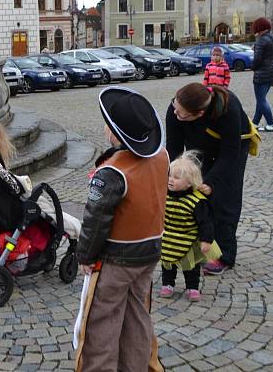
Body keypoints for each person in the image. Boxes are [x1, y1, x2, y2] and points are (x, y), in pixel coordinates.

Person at [73, 87, 168, 372]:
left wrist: (85, 257)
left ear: (114, 133)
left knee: (101, 322)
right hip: (150, 252)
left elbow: (96, 219)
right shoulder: (162, 156)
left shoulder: (112, 172)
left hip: (116, 259)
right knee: (138, 316)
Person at [166, 83, 250, 276]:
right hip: (200, 146)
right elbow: (174, 148)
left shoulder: (229, 108)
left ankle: (225, 256)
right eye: (175, 109)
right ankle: (201, 247)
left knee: (224, 199)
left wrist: (211, 182)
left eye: (182, 115)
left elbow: (230, 153)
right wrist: (169, 175)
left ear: (200, 113)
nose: (176, 115)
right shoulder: (176, 109)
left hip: (233, 148)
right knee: (197, 199)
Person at [159, 151, 218, 302]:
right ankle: (167, 283)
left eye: (177, 178)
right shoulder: (164, 196)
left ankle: (192, 287)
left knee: (190, 265)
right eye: (169, 176)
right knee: (167, 262)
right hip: (169, 237)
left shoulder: (197, 201)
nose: (171, 180)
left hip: (188, 238)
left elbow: (206, 222)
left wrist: (206, 240)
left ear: (189, 182)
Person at [250, 17, 273, 132]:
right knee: (261, 99)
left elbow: (258, 59)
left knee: (261, 100)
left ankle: (271, 124)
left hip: (262, 74)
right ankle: (255, 123)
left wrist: (252, 68)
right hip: (272, 72)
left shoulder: (261, 40)